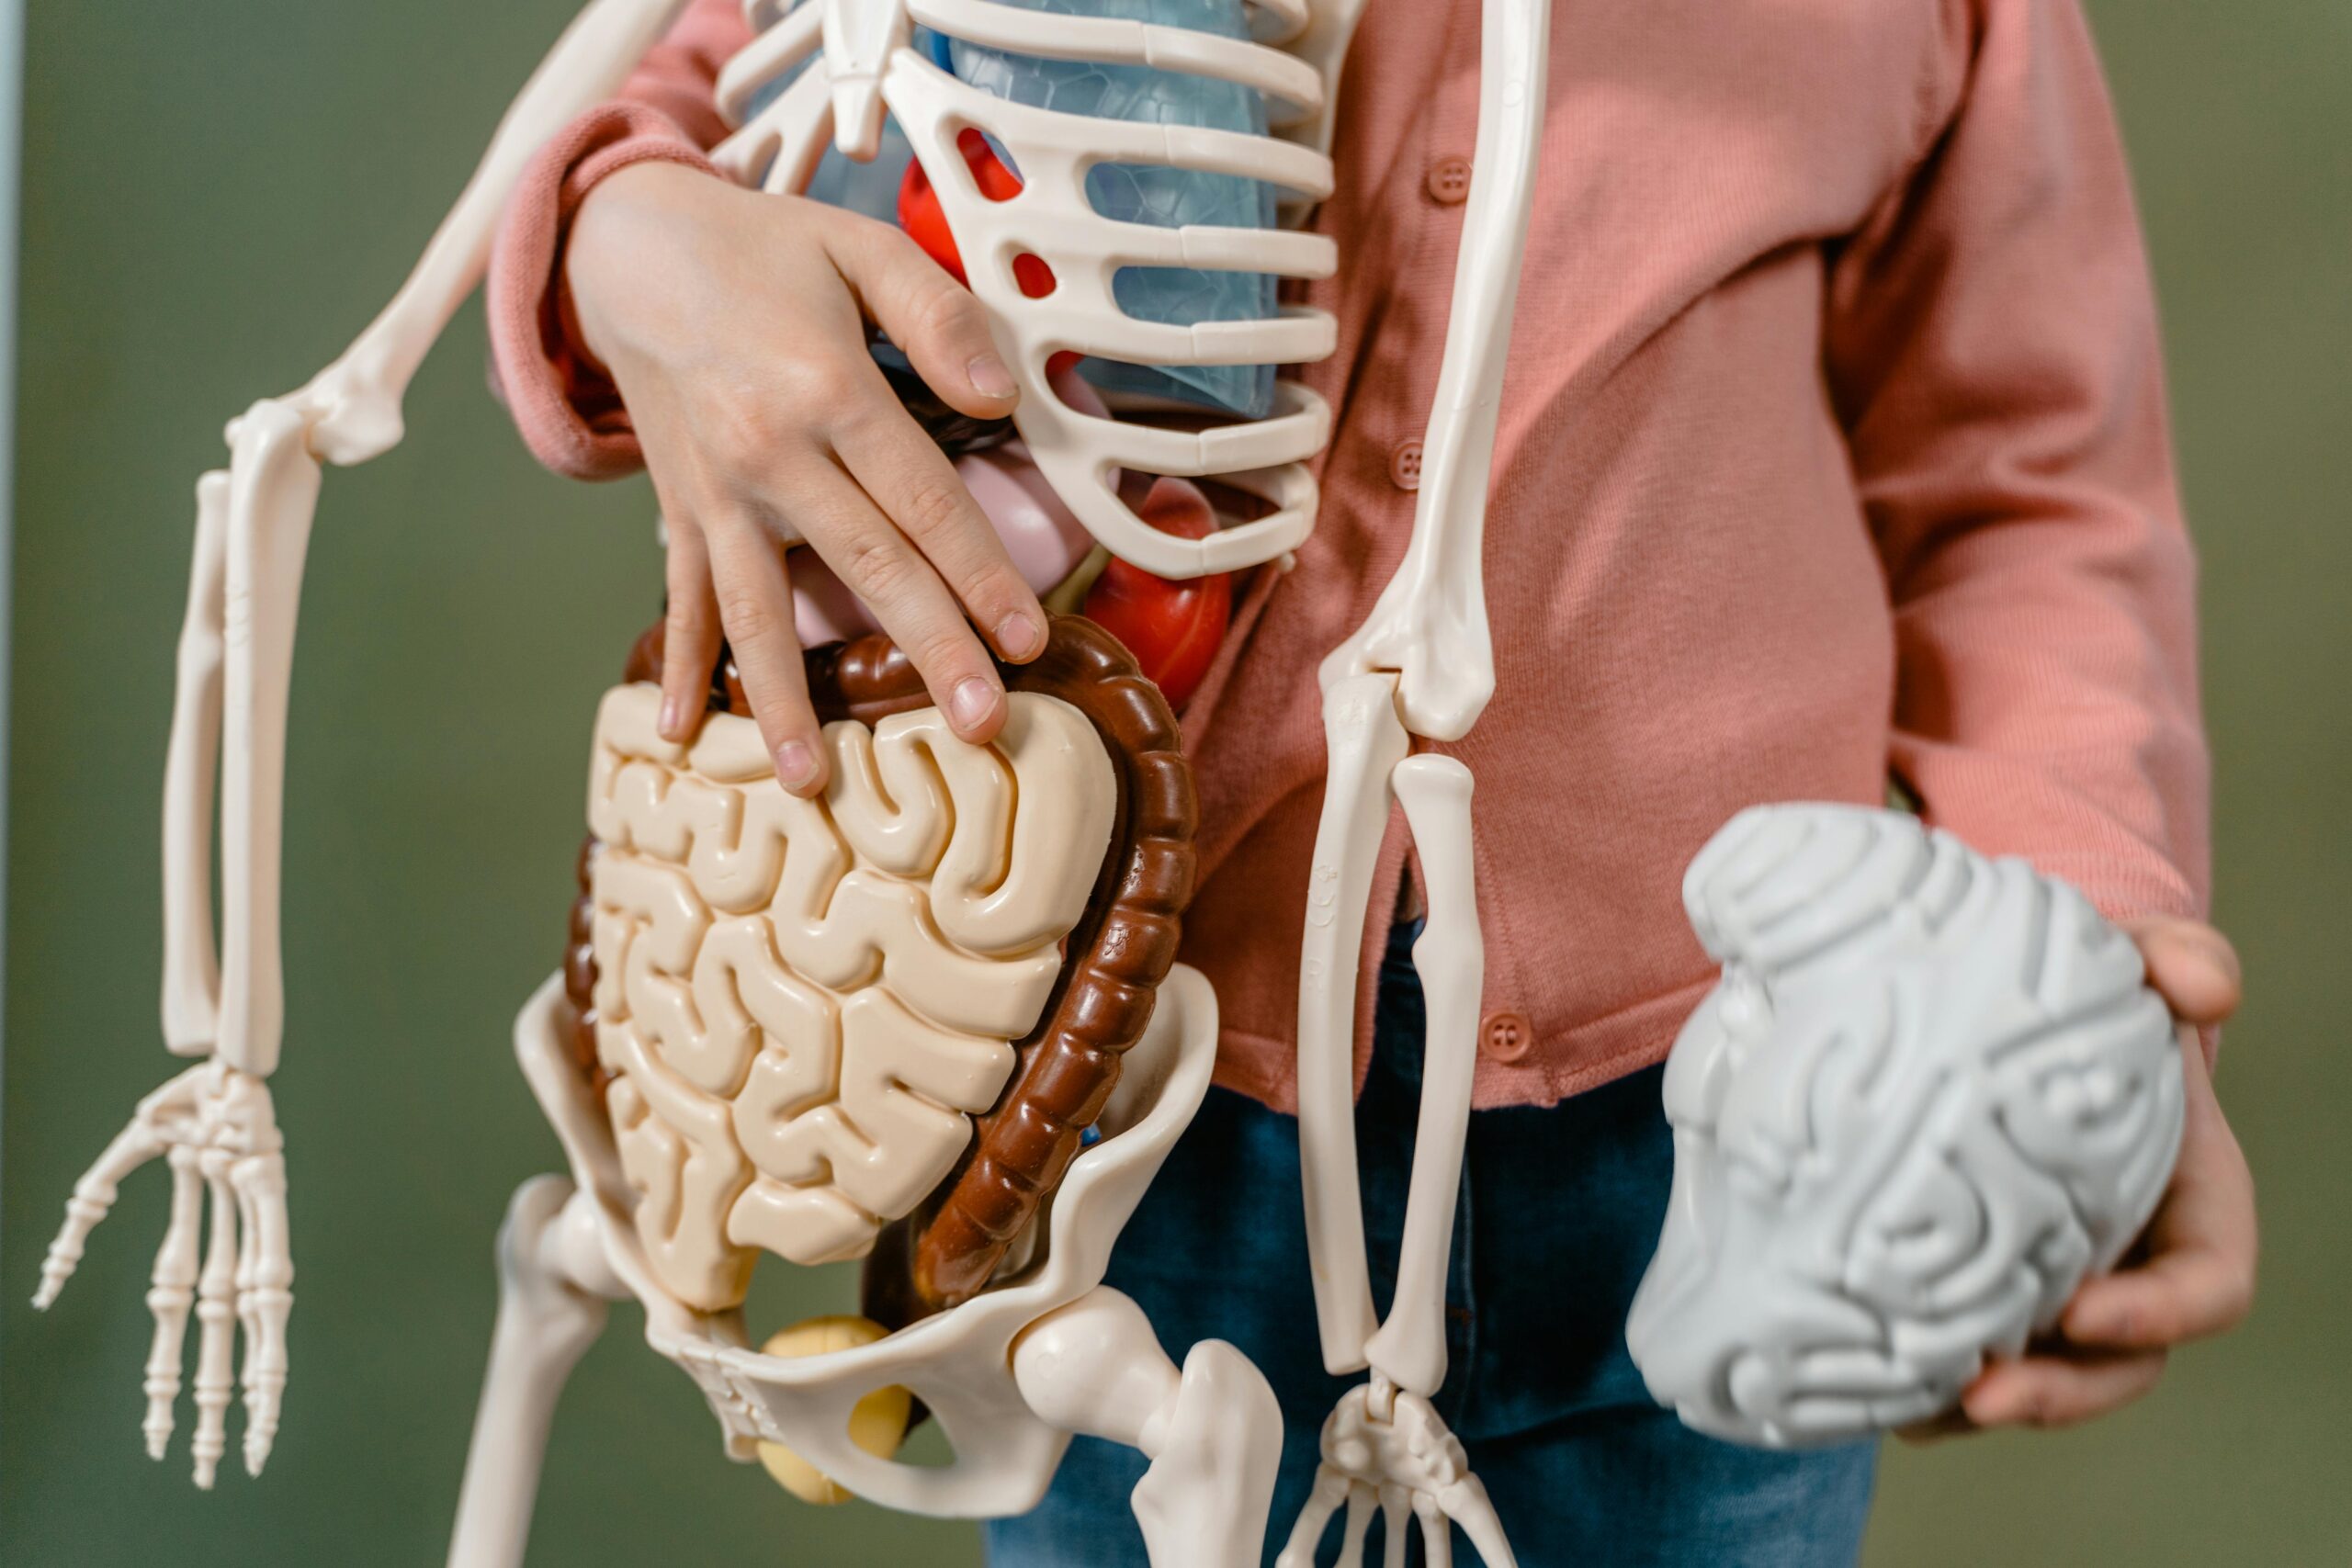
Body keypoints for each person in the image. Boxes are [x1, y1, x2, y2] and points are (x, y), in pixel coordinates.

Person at [485, 1, 2257, 1562]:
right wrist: (621, 234)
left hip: (1739, 1110)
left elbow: (2026, 485)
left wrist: (2086, 960)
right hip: (1150, 1121)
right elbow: (694, 118)